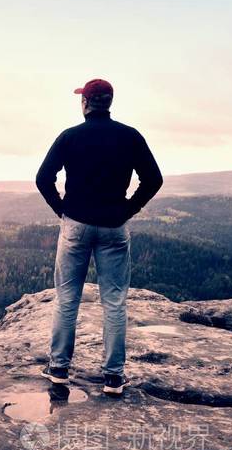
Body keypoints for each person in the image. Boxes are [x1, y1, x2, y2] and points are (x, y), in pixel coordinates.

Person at [35, 78, 163, 395]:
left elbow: (43, 178)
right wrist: (128, 209)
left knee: (67, 298)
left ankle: (59, 369)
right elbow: (154, 179)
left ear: (85, 103)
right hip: (113, 226)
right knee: (115, 302)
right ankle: (113, 377)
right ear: (109, 102)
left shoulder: (70, 137)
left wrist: (61, 209)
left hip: (75, 224)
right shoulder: (130, 137)